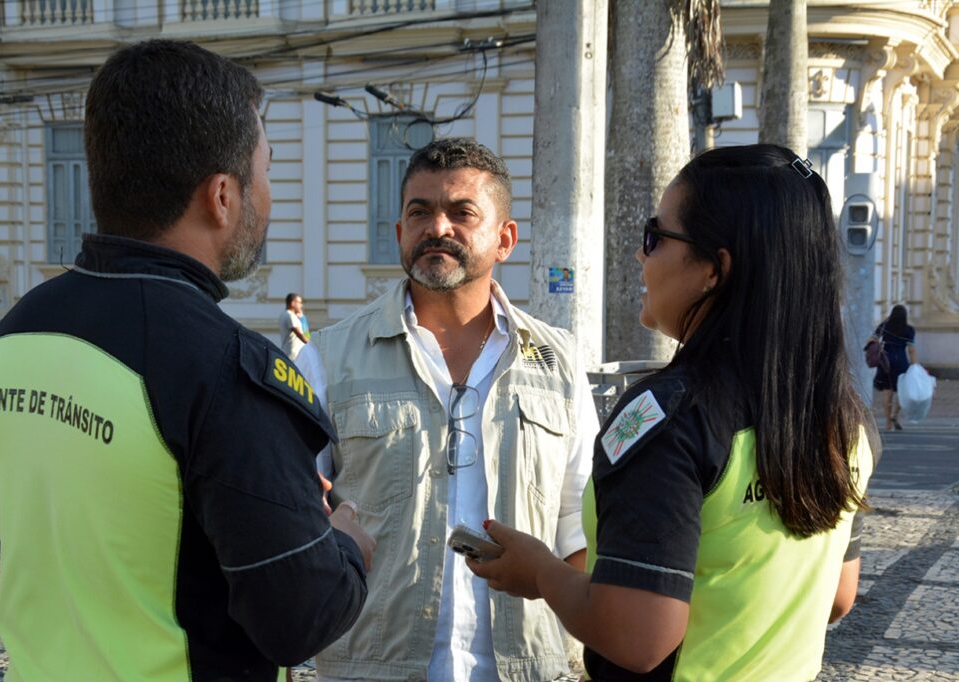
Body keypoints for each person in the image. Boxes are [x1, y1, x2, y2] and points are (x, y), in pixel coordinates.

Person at [0, 40, 373, 681]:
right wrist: (346, 544)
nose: (268, 197)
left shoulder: (12, 338)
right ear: (221, 196)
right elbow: (300, 615)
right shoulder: (225, 370)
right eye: (264, 172)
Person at [468, 145, 877, 681]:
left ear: (714, 269)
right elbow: (838, 596)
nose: (642, 257)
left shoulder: (666, 418)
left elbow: (637, 638)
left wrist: (542, 572)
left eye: (655, 238)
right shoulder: (840, 418)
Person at [295, 137, 596, 681]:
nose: (438, 228)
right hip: (370, 669)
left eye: (462, 212)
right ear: (399, 235)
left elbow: (579, 526)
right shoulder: (329, 358)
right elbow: (297, 512)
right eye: (420, 212)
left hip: (528, 669)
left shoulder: (559, 363)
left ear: (505, 239)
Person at [870, 304, 917, 431]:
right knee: (902, 392)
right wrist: (914, 366)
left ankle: (887, 423)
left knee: (887, 392)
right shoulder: (909, 329)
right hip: (901, 361)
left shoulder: (884, 326)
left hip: (885, 361)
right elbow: (911, 350)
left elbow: (872, 339)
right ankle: (894, 415)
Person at [280, 292, 309, 359]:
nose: (301, 306)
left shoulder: (285, 315)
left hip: (293, 354)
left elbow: (306, 334)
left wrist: (302, 319)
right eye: (299, 303)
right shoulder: (290, 316)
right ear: (293, 303)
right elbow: (301, 335)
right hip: (294, 356)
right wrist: (311, 345)